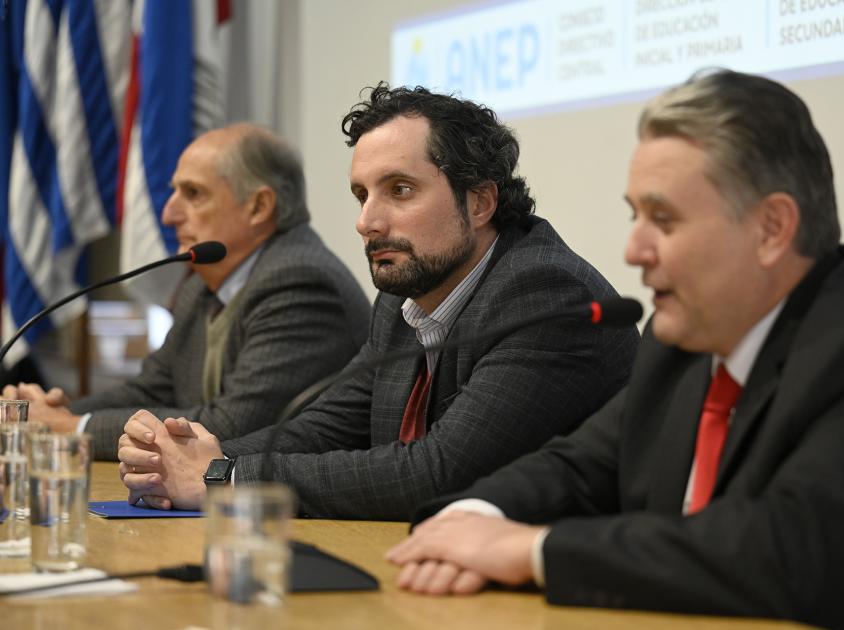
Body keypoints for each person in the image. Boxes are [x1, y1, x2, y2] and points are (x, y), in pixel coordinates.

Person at [386, 70, 844, 630]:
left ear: (772, 228)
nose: (634, 250)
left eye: (665, 219)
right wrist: (468, 522)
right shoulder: (681, 341)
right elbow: (579, 467)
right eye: (636, 216)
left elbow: (785, 550)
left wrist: (532, 551)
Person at [115, 85, 638, 520]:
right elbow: (324, 427)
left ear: (479, 201)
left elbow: (440, 473)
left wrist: (223, 478)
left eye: (401, 190)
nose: (368, 221)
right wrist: (185, 458)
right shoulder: (405, 299)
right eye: (362, 195)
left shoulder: (544, 293)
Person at [3, 124, 371, 460]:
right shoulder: (203, 285)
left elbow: (231, 427)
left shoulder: (300, 282)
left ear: (259, 206)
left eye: (193, 194)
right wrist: (56, 415)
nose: (169, 214)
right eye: (174, 193)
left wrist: (72, 429)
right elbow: (150, 391)